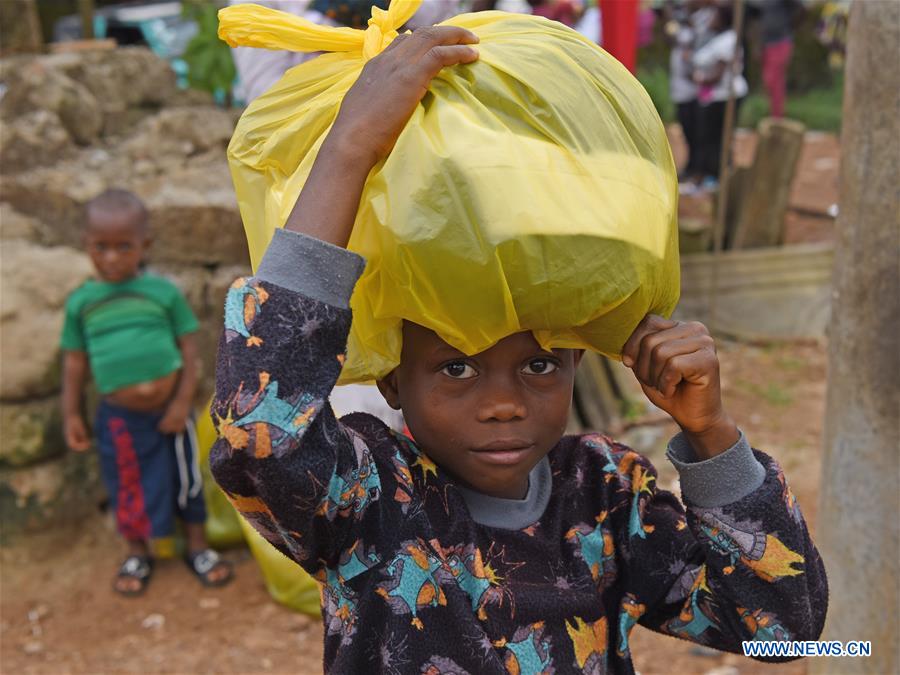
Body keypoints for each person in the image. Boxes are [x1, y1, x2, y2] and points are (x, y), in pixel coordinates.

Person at [210, 27, 826, 672]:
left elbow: (784, 628)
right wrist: (350, 148)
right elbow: (259, 434)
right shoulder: (369, 500)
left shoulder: (606, 498)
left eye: (539, 365)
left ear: (576, 360)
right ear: (392, 381)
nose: (503, 405)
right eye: (456, 368)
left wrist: (712, 435)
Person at [61, 189, 233, 596]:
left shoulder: (164, 294)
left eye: (124, 247)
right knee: (126, 483)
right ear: (86, 245)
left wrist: (180, 403)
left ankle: (197, 547)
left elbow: (189, 350)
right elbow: (74, 362)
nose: (112, 257)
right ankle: (137, 552)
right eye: (101, 247)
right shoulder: (81, 303)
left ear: (146, 246)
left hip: (171, 416)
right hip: (119, 417)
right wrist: (71, 414)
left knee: (186, 479)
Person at [691, 2, 748, 190]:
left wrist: (701, 79)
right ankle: (714, 174)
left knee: (718, 138)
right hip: (716, 96)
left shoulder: (729, 40)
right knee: (712, 137)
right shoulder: (717, 38)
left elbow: (718, 74)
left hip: (726, 96)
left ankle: (719, 176)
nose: (711, 19)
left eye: (715, 16)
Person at [759, 0, 800, 118]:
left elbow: (801, 9)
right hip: (766, 43)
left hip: (781, 41)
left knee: (775, 80)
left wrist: (790, 27)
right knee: (768, 80)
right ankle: (773, 113)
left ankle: (778, 116)